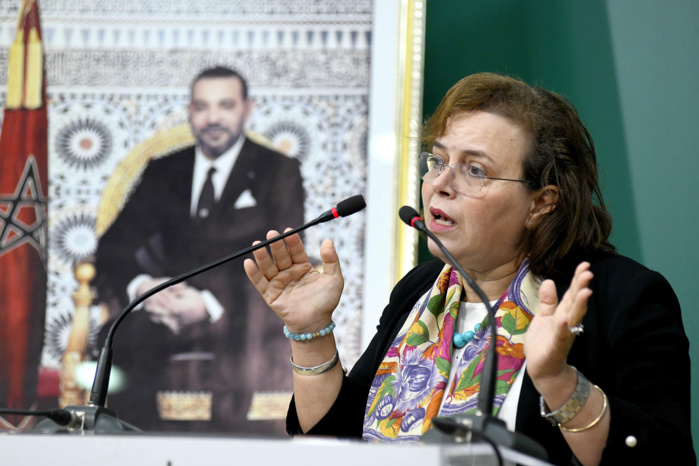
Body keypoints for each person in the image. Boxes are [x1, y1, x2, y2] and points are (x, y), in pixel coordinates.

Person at [244, 73, 695, 464]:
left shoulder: (620, 298)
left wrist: (560, 383)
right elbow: (334, 446)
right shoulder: (420, 293)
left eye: (475, 170)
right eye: (438, 161)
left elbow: (664, 459)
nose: (440, 184)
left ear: (541, 203)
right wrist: (312, 332)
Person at [94, 66, 304, 434]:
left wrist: (206, 302)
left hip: (240, 313)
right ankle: (132, 450)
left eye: (225, 105)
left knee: (246, 342)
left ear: (247, 108)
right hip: (161, 312)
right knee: (119, 336)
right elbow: (113, 247)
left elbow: (279, 258)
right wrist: (143, 288)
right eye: (202, 107)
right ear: (190, 112)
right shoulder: (164, 171)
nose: (213, 118)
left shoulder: (278, 170)